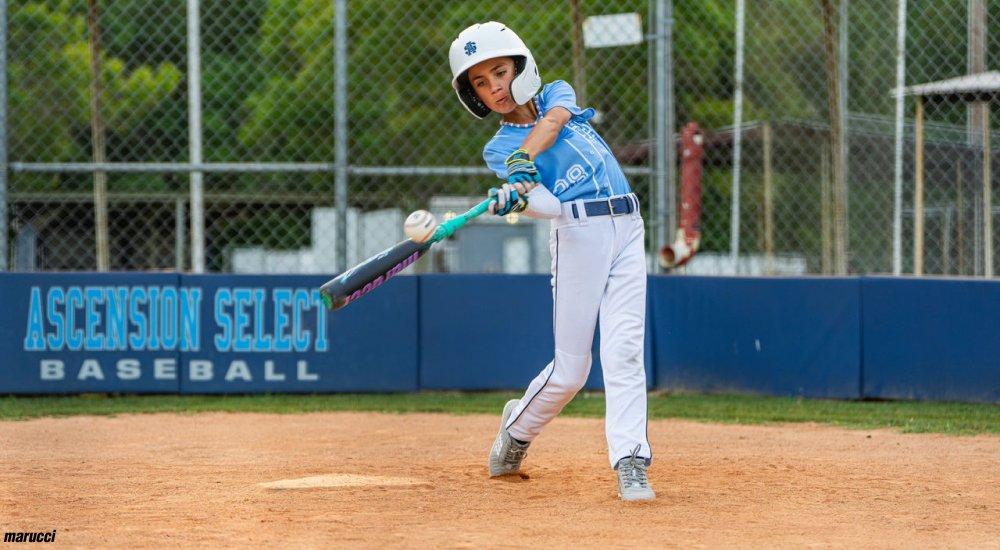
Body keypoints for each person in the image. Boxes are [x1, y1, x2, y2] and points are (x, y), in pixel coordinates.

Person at [448, 22, 654, 502]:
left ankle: (631, 460)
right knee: (571, 370)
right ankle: (517, 431)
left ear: (521, 67)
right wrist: (516, 198)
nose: (494, 87)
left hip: (627, 225)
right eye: (480, 82)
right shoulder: (496, 149)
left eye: (499, 72)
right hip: (578, 235)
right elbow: (550, 207)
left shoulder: (556, 93)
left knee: (624, 351)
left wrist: (526, 158)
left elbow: (556, 119)